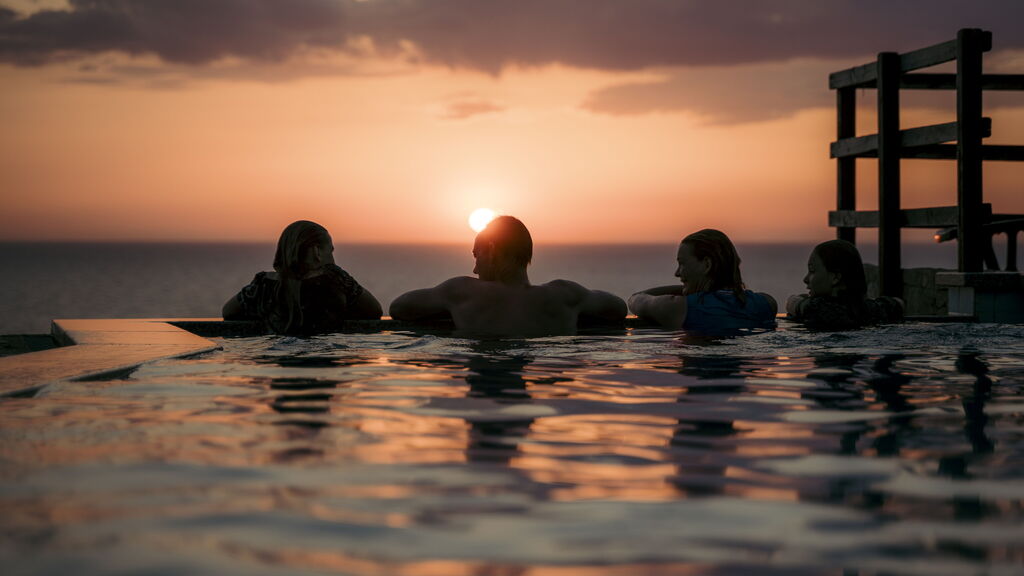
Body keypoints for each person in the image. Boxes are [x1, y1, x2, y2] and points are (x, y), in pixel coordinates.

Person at [389, 215, 627, 337]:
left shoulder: (462, 292)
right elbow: (618, 309)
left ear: (491, 250)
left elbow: (399, 307)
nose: (474, 269)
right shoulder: (566, 295)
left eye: (476, 255)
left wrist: (448, 308)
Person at [222, 220, 382, 334]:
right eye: (330, 251)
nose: (333, 258)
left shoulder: (263, 284)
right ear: (316, 252)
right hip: (324, 363)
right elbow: (374, 310)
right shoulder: (335, 280)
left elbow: (228, 311)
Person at [628, 229, 777, 332]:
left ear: (707, 264)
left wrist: (682, 290)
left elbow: (636, 299)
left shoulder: (678, 308)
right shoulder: (766, 304)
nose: (677, 273)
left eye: (682, 264)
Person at [786, 239, 902, 330]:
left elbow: (793, 303)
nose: (805, 279)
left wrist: (798, 302)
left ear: (835, 278)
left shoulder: (816, 308)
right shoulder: (871, 309)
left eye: (812, 271)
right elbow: (898, 303)